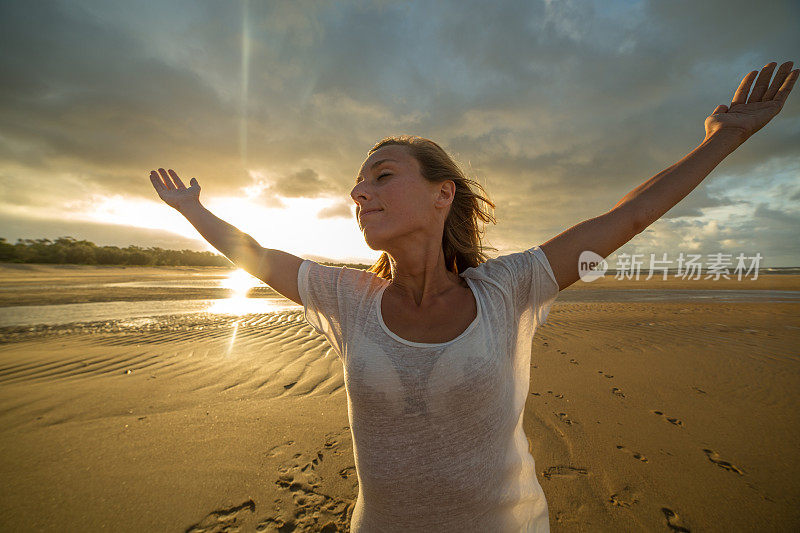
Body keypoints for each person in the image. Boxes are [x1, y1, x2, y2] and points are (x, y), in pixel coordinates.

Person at [149, 61, 796, 532]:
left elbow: (622, 220)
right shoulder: (348, 299)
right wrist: (192, 211)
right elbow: (257, 257)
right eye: (356, 184)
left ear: (441, 194)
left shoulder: (508, 289)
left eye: (382, 175)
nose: (359, 193)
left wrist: (722, 138)